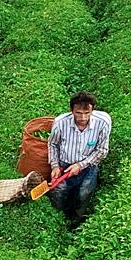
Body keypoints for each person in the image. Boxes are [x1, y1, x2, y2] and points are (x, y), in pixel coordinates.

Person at [47, 91, 112, 227]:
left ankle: (76, 221)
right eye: (78, 113)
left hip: (88, 166)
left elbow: (102, 150)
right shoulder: (60, 123)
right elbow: (53, 144)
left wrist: (80, 165)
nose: (83, 118)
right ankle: (57, 221)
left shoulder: (103, 123)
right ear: (71, 111)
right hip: (64, 165)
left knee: (84, 193)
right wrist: (54, 166)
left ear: (92, 110)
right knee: (58, 192)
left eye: (87, 113)